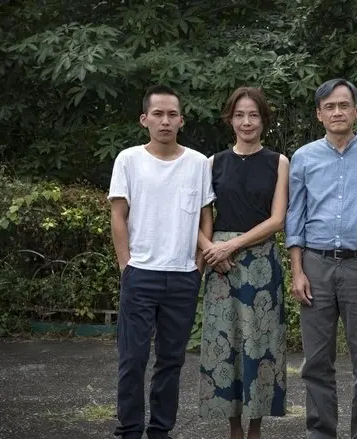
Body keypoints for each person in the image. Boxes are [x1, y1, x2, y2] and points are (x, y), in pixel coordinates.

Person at [285, 78, 357, 439]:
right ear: (319, 114)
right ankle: (321, 433)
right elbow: (295, 217)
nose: (337, 112)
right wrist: (297, 271)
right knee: (316, 362)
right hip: (315, 266)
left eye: (344, 105)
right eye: (329, 107)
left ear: (356, 111)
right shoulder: (304, 157)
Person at [108, 84, 215, 439]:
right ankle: (129, 430)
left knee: (171, 361)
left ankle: (160, 431)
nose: (165, 121)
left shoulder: (198, 163)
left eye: (172, 114)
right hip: (140, 273)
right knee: (132, 359)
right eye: (158, 114)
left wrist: (198, 265)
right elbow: (118, 215)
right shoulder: (128, 160)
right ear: (144, 119)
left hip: (183, 276)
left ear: (181, 120)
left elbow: (205, 216)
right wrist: (126, 265)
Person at [197, 86, 289, 439]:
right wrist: (211, 250)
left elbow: (277, 220)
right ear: (230, 119)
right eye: (239, 115)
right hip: (221, 268)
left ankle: (255, 431)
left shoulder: (279, 162)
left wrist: (230, 246)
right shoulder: (213, 163)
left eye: (253, 115)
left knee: (260, 347)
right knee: (225, 346)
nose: (246, 122)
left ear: (263, 119)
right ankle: (233, 429)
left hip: (261, 263)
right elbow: (197, 217)